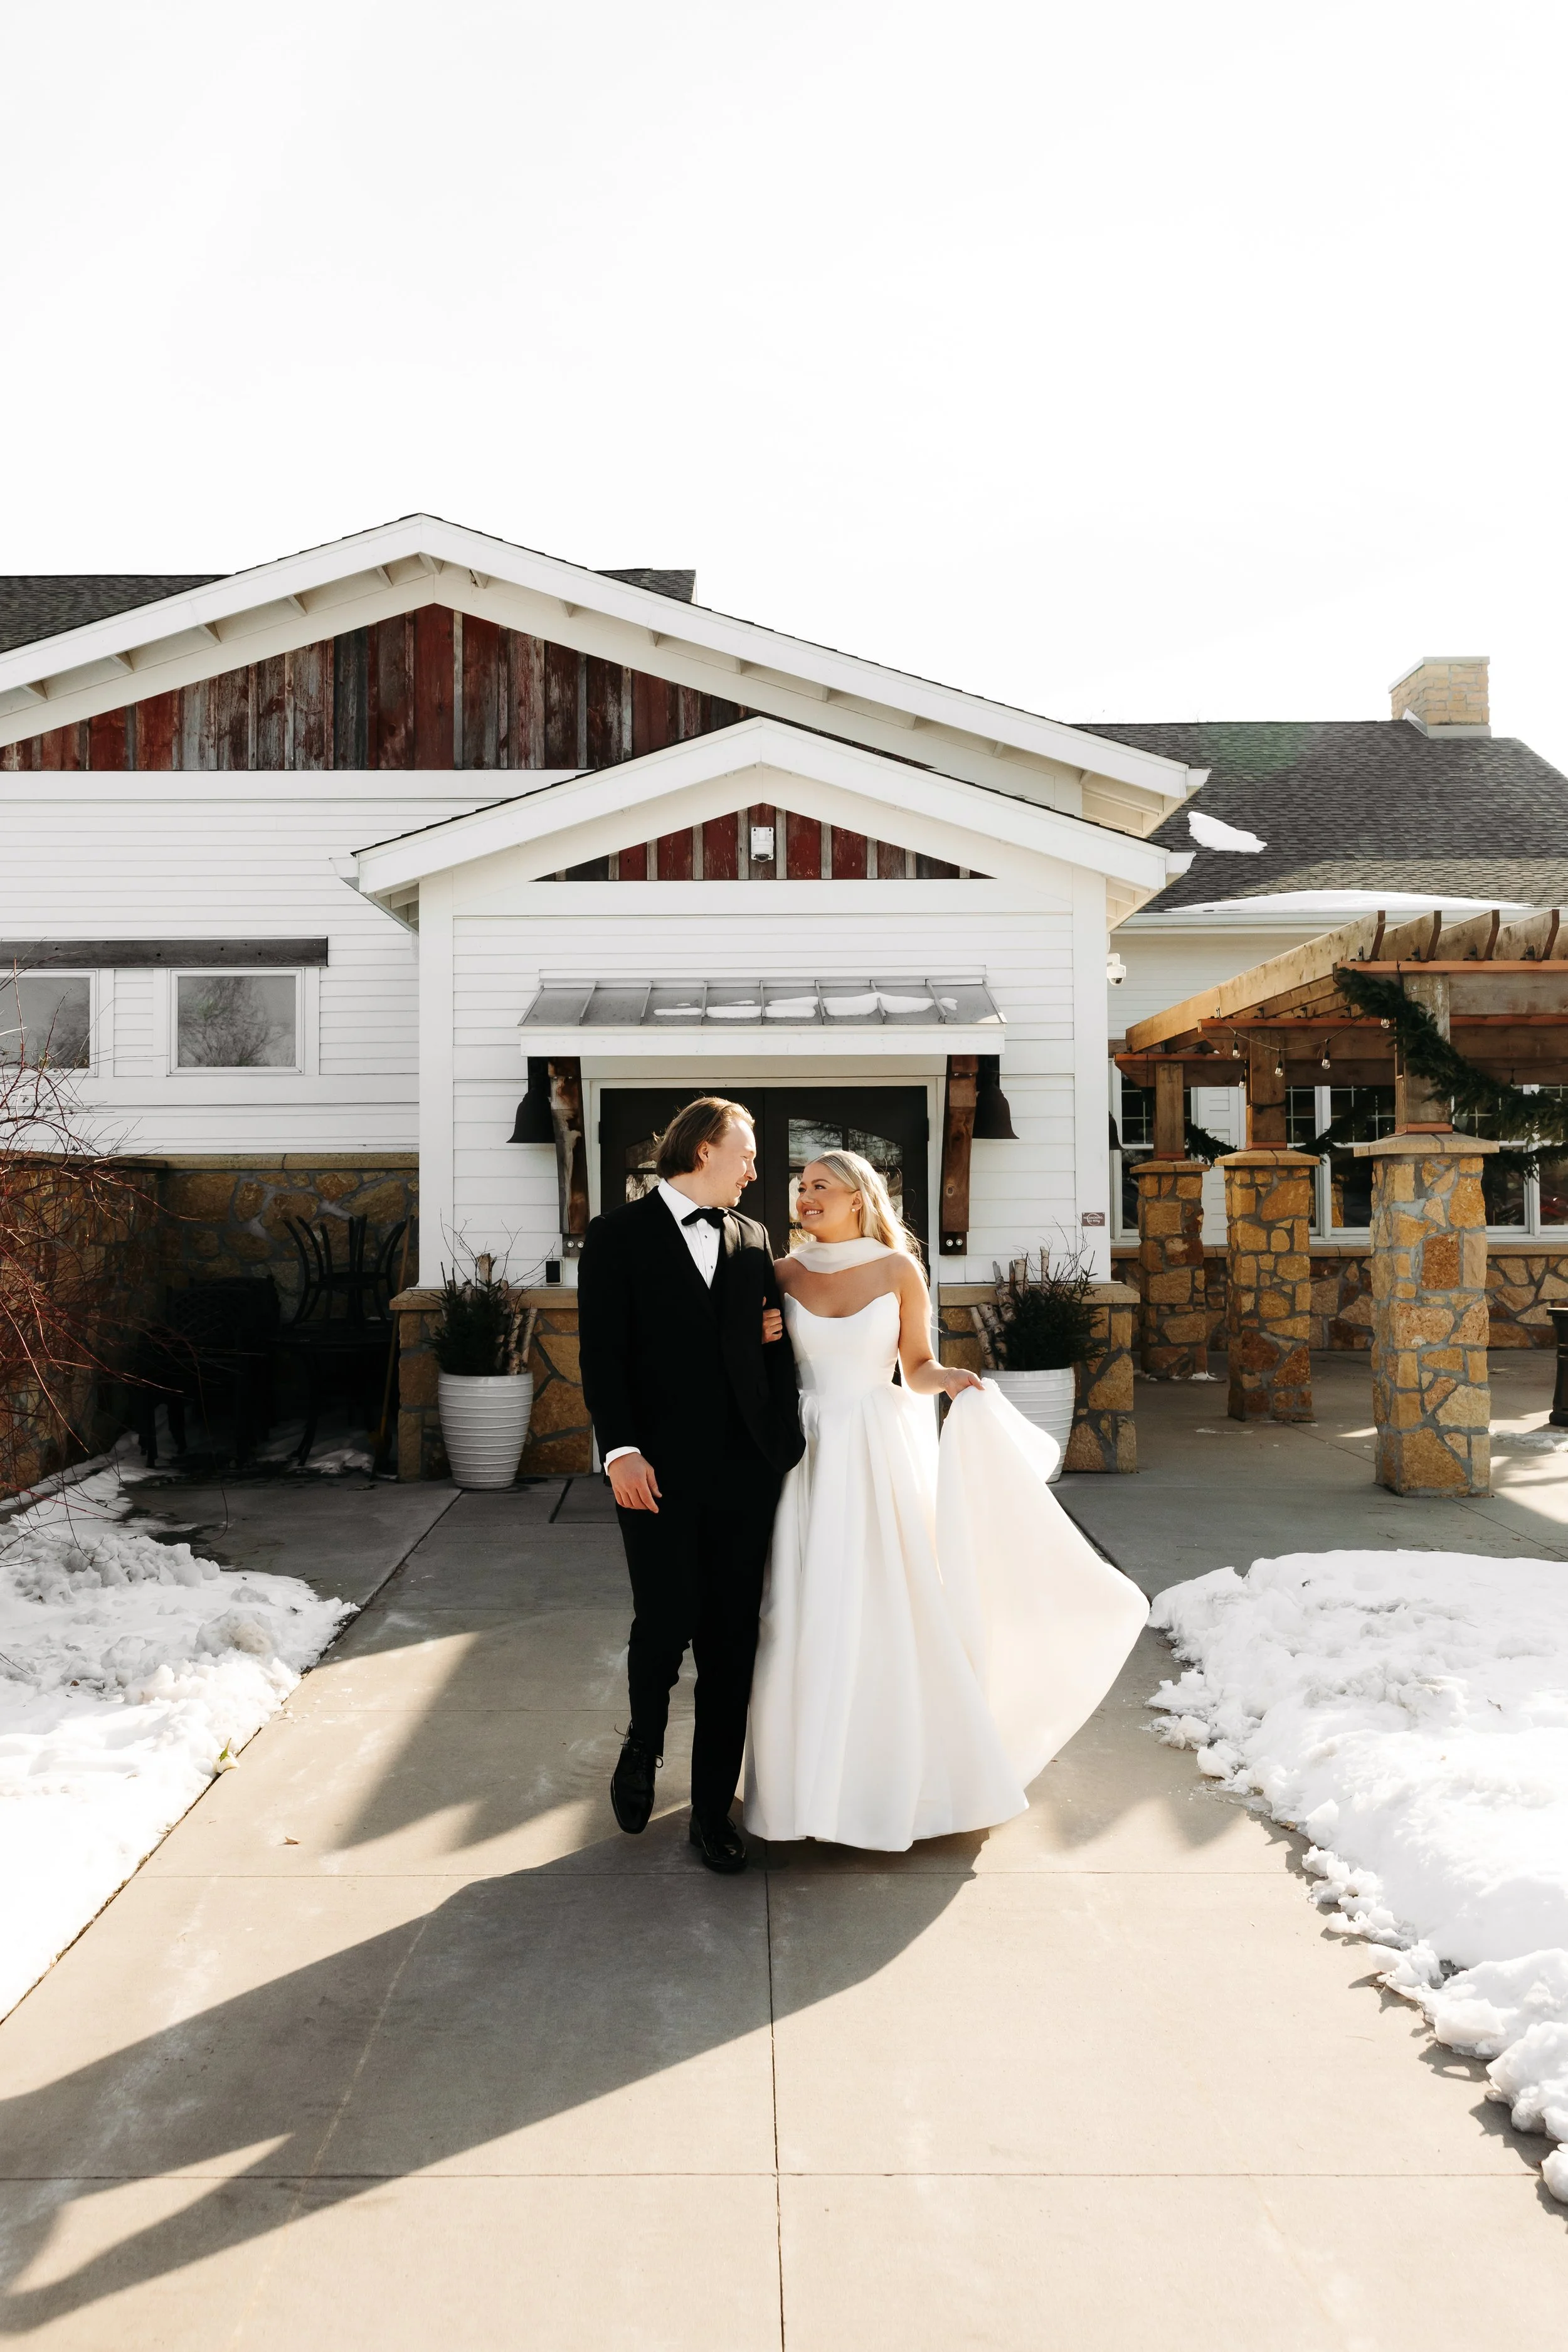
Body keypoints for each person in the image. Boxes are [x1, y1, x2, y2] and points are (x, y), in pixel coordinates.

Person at [744, 1150, 1148, 1851]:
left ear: (858, 1197)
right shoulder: (780, 1273)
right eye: (801, 1186)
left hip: (875, 1453)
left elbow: (915, 1367)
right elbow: (747, 1363)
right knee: (800, 1610)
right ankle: (800, 1793)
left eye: (820, 1187)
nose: (804, 1196)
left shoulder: (900, 1271)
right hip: (804, 1451)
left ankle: (895, 1784)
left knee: (885, 1605)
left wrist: (953, 1379)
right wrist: (755, 1340)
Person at [578, 1096, 803, 1873]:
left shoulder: (753, 1239)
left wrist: (780, 1441)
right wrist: (622, 1451)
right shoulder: (615, 1237)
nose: (753, 1169)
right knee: (666, 1617)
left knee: (732, 1640)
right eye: (744, 1153)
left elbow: (768, 1346)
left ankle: (711, 1814)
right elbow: (602, 1357)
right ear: (703, 1150)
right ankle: (642, 1745)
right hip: (656, 1471)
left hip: (744, 1471)